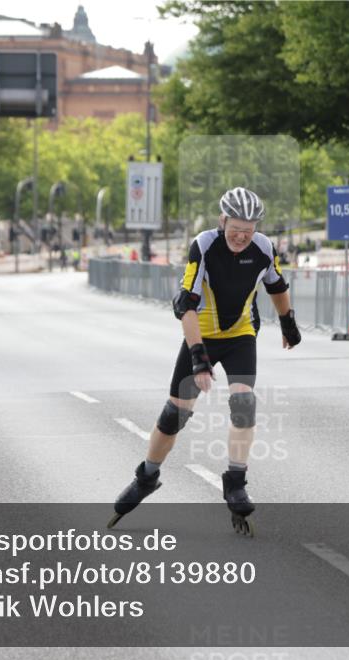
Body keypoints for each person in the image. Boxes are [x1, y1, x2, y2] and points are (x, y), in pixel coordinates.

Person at [108, 187, 302, 536]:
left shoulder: (263, 247)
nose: (241, 237)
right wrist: (198, 356)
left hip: (241, 334)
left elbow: (276, 285)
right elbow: (186, 304)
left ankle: (235, 481)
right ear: (222, 220)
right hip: (202, 334)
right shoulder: (205, 245)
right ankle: (147, 476)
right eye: (235, 230)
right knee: (175, 414)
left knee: (244, 403)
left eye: (249, 230)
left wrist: (288, 322)